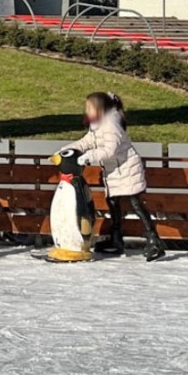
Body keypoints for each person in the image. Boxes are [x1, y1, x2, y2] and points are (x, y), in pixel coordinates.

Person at [61, 92, 166, 262]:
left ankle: (155, 240)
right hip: (114, 171)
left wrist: (88, 157)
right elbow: (87, 142)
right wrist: (67, 149)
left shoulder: (111, 123)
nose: (86, 110)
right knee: (113, 202)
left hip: (127, 168)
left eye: (89, 107)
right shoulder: (97, 125)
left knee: (135, 202)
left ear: (100, 108)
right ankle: (116, 239)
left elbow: (110, 150)